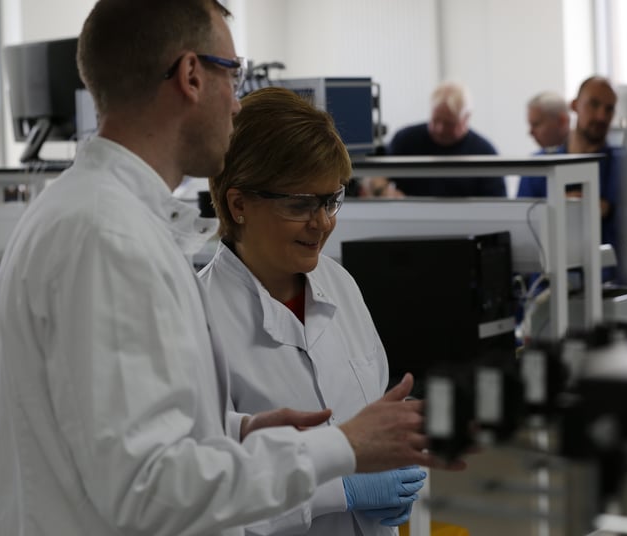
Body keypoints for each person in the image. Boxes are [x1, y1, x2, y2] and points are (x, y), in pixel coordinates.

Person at [0, 2, 443, 535]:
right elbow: (148, 489)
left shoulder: (102, 216)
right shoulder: (108, 237)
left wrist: (238, 430)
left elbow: (115, 435)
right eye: (233, 74)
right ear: (190, 76)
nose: (236, 103)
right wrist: (340, 451)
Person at [199, 87, 464, 535]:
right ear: (238, 203)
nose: (321, 222)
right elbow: (206, 495)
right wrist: (340, 491)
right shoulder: (199, 318)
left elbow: (369, 407)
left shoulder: (339, 285)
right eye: (300, 204)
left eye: (330, 200)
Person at [517, 76, 627, 283]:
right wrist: (558, 209)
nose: (601, 116)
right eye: (594, 104)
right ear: (574, 106)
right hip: (549, 290)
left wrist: (609, 210)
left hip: (616, 288)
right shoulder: (539, 169)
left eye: (609, 109)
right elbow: (522, 234)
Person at [366, 81, 506, 198]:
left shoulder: (485, 152)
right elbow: (376, 173)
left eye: (448, 123)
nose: (439, 128)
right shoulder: (406, 139)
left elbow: (496, 206)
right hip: (410, 224)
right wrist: (384, 191)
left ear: (466, 118)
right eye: (435, 120)